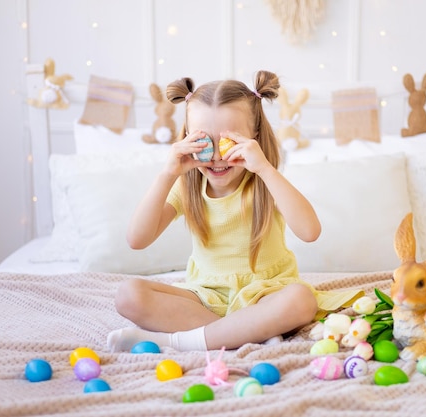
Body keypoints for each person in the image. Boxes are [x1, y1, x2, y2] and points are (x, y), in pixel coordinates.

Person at [107, 70, 361, 352]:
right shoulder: (187, 186)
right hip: (205, 297)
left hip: (266, 293)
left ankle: (178, 341)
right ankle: (248, 332)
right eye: (204, 142)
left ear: (254, 135)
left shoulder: (265, 181)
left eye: (228, 142)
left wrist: (264, 168)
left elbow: (310, 231)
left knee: (301, 300)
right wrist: (167, 174)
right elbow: (137, 239)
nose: (216, 156)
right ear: (188, 138)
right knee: (128, 295)